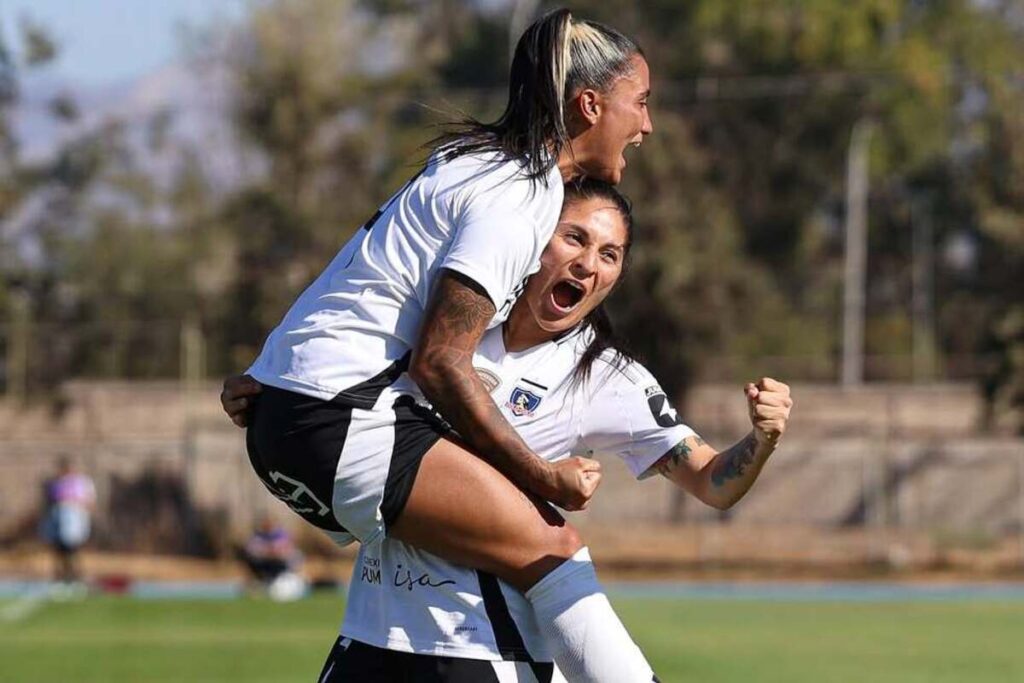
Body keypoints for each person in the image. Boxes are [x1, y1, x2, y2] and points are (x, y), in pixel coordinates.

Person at [231, 8, 659, 681]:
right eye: (641, 102)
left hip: (296, 414)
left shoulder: (474, 162)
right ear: (589, 104)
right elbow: (440, 360)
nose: (646, 124)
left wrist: (275, 371)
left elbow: (362, 275)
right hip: (338, 418)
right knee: (551, 549)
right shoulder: (522, 192)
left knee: (469, 549)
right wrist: (541, 473)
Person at [225, 180, 793, 681]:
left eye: (610, 254)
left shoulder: (605, 376)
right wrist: (269, 390)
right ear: (530, 237)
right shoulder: (438, 326)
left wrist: (762, 438)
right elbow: (338, 387)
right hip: (372, 631)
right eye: (573, 238)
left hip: (483, 651)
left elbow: (714, 481)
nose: (589, 263)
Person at [40, 457, 96, 585]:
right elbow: (49, 502)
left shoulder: (82, 482)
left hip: (74, 522)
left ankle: (75, 577)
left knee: (73, 550)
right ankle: (59, 577)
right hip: (57, 520)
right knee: (58, 551)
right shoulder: (55, 483)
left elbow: (89, 501)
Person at [240, 515, 303, 586]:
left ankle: (288, 578)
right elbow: (252, 550)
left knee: (296, 556)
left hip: (280, 561)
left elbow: (286, 549)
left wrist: (275, 552)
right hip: (264, 561)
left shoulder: (281, 534)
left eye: (270, 523)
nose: (267, 525)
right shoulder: (257, 535)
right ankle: (260, 580)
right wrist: (267, 552)